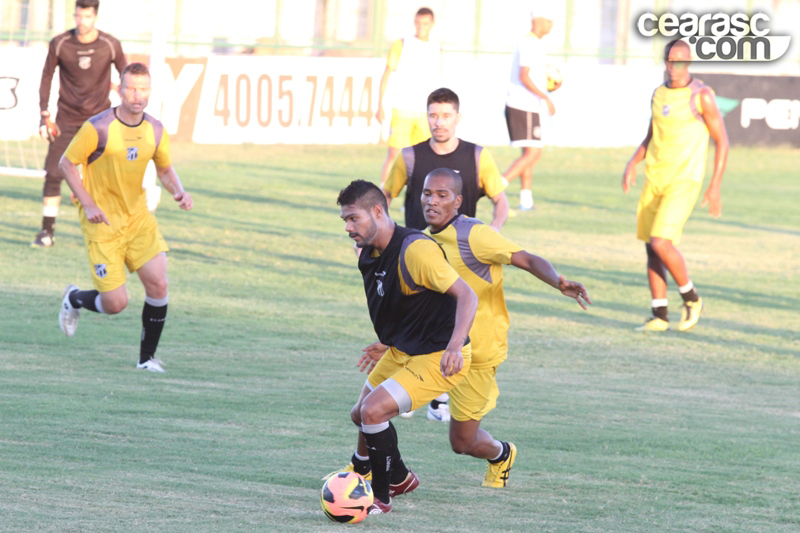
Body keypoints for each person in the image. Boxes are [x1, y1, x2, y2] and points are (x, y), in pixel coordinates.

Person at [345, 168, 591, 488]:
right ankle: (365, 471)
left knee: (463, 443)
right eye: (427, 194)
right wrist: (391, 341)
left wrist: (558, 281)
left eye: (442, 195)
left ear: (458, 201)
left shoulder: (475, 235)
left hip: (476, 351)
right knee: (366, 409)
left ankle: (500, 453)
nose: (432, 201)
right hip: (427, 347)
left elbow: (526, 259)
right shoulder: (418, 242)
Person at [335, 179, 477, 514]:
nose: (348, 228)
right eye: (344, 221)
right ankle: (393, 476)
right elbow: (406, 298)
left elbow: (466, 295)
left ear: (378, 211)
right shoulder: (370, 252)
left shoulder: (416, 250)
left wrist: (455, 346)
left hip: (440, 355)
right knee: (360, 414)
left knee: (373, 412)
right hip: (403, 349)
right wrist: (388, 340)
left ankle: (380, 498)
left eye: (353, 218)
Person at [57, 62, 193, 373]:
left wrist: (179, 192)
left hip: (138, 220)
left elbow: (165, 169)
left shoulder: (155, 130)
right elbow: (67, 163)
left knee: (159, 284)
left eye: (143, 89)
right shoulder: (99, 127)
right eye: (131, 88)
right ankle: (75, 298)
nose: (137, 95)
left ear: (149, 92)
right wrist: (89, 203)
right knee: (116, 304)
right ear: (120, 89)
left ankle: (146, 360)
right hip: (102, 224)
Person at [622, 39, 728, 332]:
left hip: (684, 181)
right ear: (666, 62)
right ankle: (659, 315)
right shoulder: (658, 93)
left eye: (681, 61)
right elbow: (651, 135)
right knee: (651, 249)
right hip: (654, 179)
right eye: (670, 61)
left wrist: (715, 185)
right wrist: (633, 162)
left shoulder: (702, 95)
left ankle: (692, 298)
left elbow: (722, 140)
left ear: (689, 62)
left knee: (661, 242)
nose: (675, 67)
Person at [34, 0, 126, 247]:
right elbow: (46, 76)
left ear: (95, 17)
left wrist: (126, 107)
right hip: (66, 120)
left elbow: (126, 75)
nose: (81, 22)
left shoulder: (110, 44)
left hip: (100, 122)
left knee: (107, 177)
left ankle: (111, 231)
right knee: (53, 174)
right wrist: (45, 113)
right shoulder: (61, 43)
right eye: (78, 16)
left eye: (86, 17)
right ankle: (46, 233)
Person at [384, 88, 509, 232]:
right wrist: (381, 232)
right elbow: (385, 195)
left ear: (458, 118)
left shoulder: (477, 155)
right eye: (433, 116)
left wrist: (495, 227)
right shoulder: (409, 155)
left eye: (446, 116)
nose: (439, 123)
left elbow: (500, 200)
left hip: (462, 250)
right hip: (418, 249)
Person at [376, 7, 441, 186]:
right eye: (418, 23)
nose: (421, 27)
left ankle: (414, 201)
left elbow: (437, 82)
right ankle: (383, 196)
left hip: (424, 113)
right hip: (402, 109)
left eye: (425, 23)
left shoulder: (436, 48)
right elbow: (387, 74)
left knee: (424, 159)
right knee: (394, 154)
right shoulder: (402, 44)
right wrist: (379, 104)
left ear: (432, 24)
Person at [502, 7, 558, 211]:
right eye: (550, 21)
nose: (552, 25)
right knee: (534, 153)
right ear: (540, 21)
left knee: (529, 153)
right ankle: (497, 186)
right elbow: (524, 75)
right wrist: (545, 98)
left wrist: (550, 84)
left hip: (529, 106)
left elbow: (534, 76)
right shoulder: (529, 43)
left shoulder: (536, 44)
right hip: (522, 105)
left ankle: (526, 200)